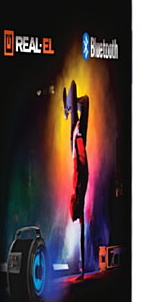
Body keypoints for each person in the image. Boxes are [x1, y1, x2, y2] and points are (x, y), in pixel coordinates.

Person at [63, 81, 90, 280]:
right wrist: (77, 138)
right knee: (84, 100)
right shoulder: (78, 187)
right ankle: (71, 107)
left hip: (77, 147)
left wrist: (82, 272)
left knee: (83, 100)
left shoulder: (78, 194)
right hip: (77, 146)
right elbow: (81, 165)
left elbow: (81, 236)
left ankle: (71, 107)